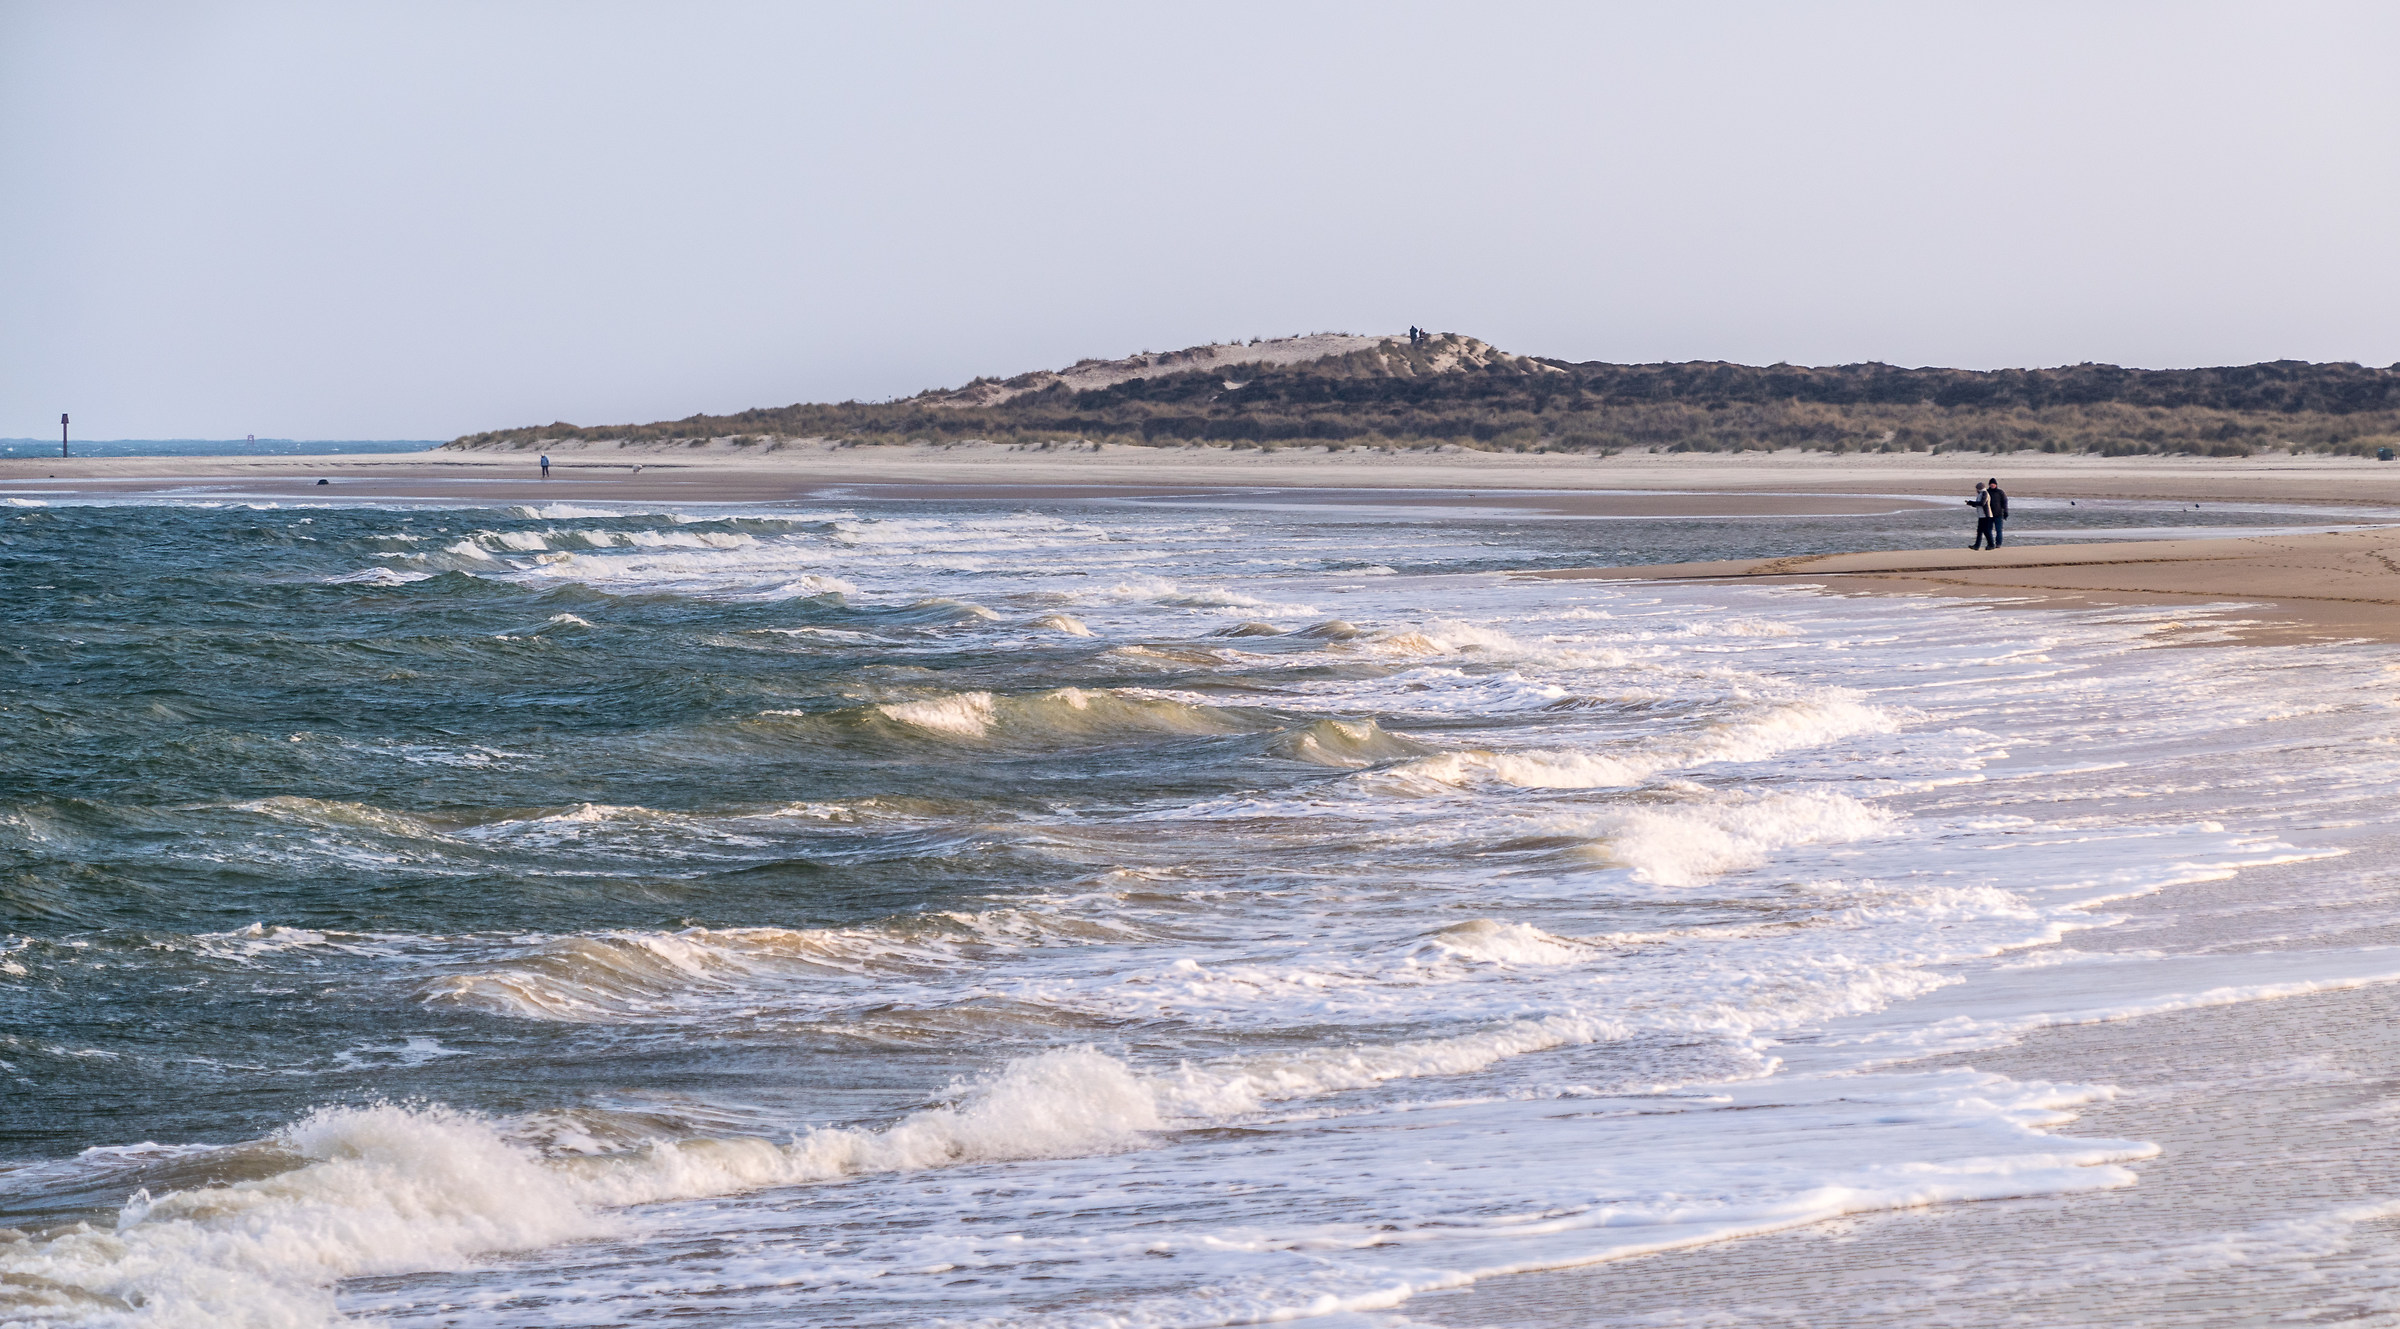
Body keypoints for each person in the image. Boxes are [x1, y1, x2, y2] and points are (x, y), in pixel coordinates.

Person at [1966, 481, 1994, 550]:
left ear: (1979, 488)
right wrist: (1971, 503)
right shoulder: (1980, 494)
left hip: (1986, 516)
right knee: (1980, 531)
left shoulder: (1984, 493)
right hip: (1981, 516)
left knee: (1986, 531)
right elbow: (1978, 505)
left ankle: (1991, 545)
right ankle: (1976, 546)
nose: (1976, 490)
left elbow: (1982, 503)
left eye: (1976, 488)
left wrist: (1971, 502)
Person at [1984, 477, 2008, 546]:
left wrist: (2005, 512)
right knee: (1988, 530)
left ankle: (1998, 544)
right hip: (1989, 514)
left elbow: (2004, 502)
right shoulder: (1986, 492)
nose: (1992, 485)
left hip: (1998, 514)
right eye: (1991, 484)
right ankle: (1991, 543)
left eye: (1993, 484)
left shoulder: (2000, 492)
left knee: (1999, 530)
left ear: (1996, 484)